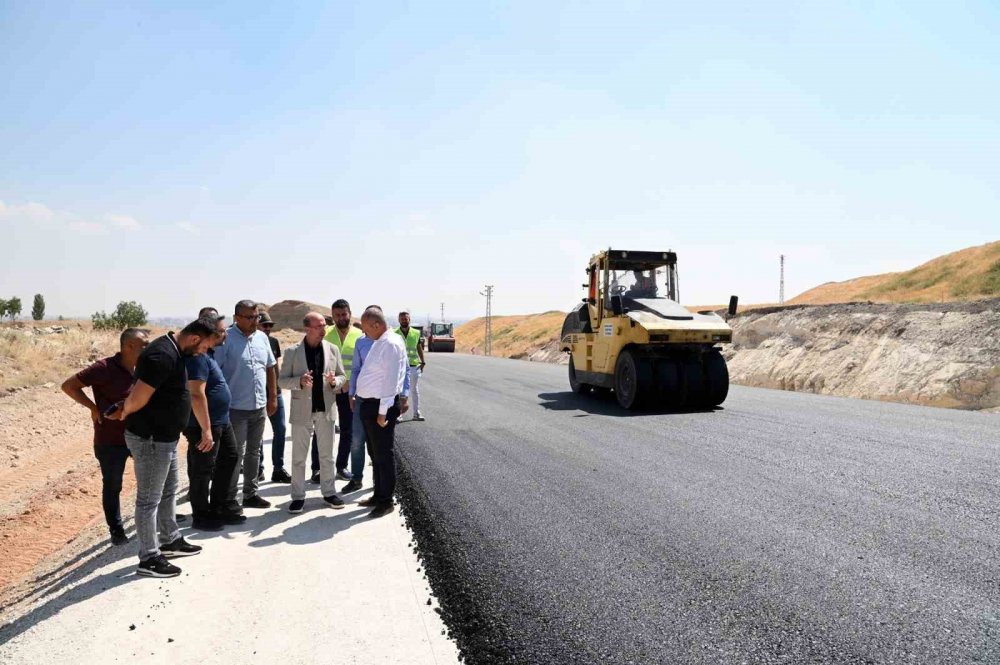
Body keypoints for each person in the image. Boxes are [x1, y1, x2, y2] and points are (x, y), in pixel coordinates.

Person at [107, 317, 218, 578]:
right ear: (194, 339)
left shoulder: (174, 350)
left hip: (165, 438)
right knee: (148, 500)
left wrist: (205, 427)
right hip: (151, 439)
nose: (204, 352)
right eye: (204, 347)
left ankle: (170, 540)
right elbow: (138, 396)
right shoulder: (161, 355)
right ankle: (149, 558)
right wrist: (123, 412)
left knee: (168, 491)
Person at [61, 328, 149, 545]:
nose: (148, 348)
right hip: (110, 440)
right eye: (144, 344)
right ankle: (116, 530)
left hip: (139, 436)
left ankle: (155, 520)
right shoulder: (104, 368)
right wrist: (93, 408)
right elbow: (69, 386)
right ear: (129, 346)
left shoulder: (144, 368)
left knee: (150, 480)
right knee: (113, 484)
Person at [277, 312, 347, 513]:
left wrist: (335, 382)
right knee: (299, 457)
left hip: (325, 410)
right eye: (319, 326)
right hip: (302, 411)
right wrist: (298, 381)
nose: (324, 330)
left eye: (325, 325)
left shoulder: (332, 349)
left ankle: (329, 492)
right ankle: (298, 496)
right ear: (307, 329)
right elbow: (281, 381)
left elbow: (342, 377)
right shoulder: (292, 352)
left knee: (327, 456)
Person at [215, 300, 278, 513]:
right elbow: (215, 372)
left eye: (257, 317)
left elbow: (270, 367)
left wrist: (273, 398)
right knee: (235, 454)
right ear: (237, 318)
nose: (255, 321)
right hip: (235, 408)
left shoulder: (262, 338)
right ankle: (229, 498)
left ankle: (250, 494)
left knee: (254, 452)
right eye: (250, 317)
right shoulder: (225, 340)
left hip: (258, 406)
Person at [182, 314, 240, 531]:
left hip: (221, 420)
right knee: (203, 468)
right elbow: (196, 394)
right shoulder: (196, 357)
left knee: (230, 458)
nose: (225, 334)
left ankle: (218, 507)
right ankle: (201, 514)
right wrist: (206, 429)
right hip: (203, 424)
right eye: (221, 331)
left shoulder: (209, 354)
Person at [343, 306, 409, 494]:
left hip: (381, 407)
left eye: (366, 328)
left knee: (383, 455)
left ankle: (385, 500)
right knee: (375, 453)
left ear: (377, 324)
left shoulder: (391, 344)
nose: (364, 332)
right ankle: (378, 494)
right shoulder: (380, 341)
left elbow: (391, 381)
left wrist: (382, 413)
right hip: (370, 404)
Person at [324, 299, 362, 481]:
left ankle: (341, 466)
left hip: (350, 392)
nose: (341, 318)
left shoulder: (359, 335)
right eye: (337, 315)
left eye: (344, 314)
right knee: (323, 430)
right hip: (328, 390)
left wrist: (349, 385)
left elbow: (362, 365)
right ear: (333, 316)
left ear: (350, 313)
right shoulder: (325, 335)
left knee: (347, 430)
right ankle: (318, 469)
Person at [258, 311, 291, 483]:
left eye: (270, 326)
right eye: (265, 325)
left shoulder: (273, 342)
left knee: (281, 430)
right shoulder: (252, 342)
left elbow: (275, 367)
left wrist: (277, 390)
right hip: (256, 394)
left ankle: (278, 468)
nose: (268, 329)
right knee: (257, 434)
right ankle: (258, 469)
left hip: (274, 392)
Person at [394, 310, 425, 421]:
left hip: (413, 365)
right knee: (399, 390)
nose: (404, 321)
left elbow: (419, 347)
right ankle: (399, 414)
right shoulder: (394, 333)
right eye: (402, 319)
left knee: (414, 389)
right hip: (400, 367)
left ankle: (416, 413)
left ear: (409, 320)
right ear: (399, 320)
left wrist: (423, 361)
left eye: (406, 319)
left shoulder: (416, 333)